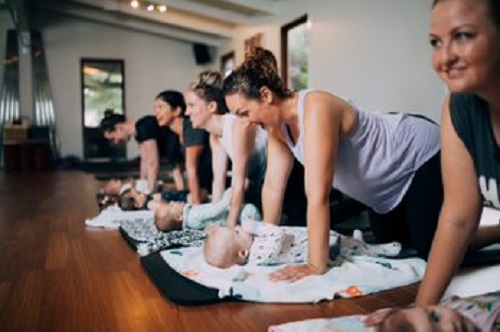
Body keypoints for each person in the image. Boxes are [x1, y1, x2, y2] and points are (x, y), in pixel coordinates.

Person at [223, 47, 442, 282]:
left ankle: (482, 227)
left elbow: (318, 194)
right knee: (396, 245)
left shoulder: (316, 108)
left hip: (418, 156)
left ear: (265, 95)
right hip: (383, 193)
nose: (245, 124)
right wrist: (265, 243)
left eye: (244, 113)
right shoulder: (278, 129)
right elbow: (273, 188)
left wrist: (315, 265)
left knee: (434, 249)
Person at [415, 0, 500, 306]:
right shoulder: (459, 105)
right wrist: (421, 309)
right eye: (436, 42)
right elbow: (458, 220)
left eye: (463, 36)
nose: (445, 58)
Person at [203, 219, 402, 269]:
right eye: (237, 232)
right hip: (317, 247)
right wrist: (257, 226)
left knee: (348, 242)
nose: (239, 227)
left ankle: (360, 242)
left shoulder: (253, 248)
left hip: (307, 237)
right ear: (243, 253)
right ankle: (378, 250)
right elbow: (278, 235)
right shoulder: (259, 253)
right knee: (347, 248)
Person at [100, 112, 184, 192]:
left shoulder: (143, 127)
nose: (116, 142)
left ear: (119, 128)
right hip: (174, 156)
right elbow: (145, 161)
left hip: (182, 147)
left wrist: (150, 191)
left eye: (113, 138)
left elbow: (153, 162)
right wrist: (142, 184)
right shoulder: (138, 133)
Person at [155, 90, 213, 205]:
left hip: (211, 188)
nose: (156, 113)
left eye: (160, 107)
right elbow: (177, 170)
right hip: (199, 189)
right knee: (156, 199)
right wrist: (181, 196)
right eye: (155, 108)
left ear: (177, 110)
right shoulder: (172, 135)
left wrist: (195, 207)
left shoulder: (192, 127)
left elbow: (192, 169)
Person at [365, 291, 500, 332]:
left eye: (436, 318)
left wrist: (390, 313)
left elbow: (415, 312)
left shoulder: (449, 306)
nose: (450, 328)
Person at [154, 189, 261, 232]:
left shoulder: (190, 220)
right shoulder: (193, 215)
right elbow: (214, 211)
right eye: (171, 206)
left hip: (228, 216)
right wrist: (226, 200)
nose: (172, 201)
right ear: (179, 217)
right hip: (235, 216)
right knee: (250, 209)